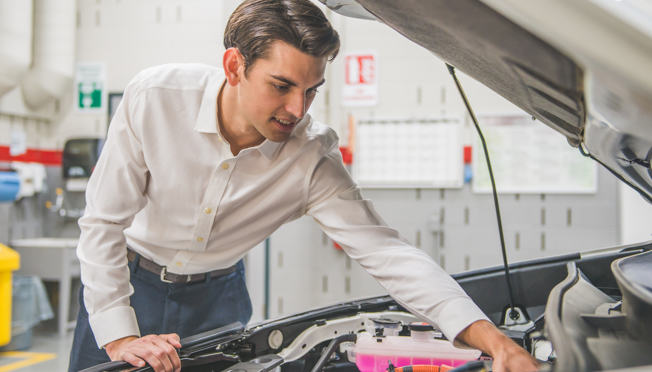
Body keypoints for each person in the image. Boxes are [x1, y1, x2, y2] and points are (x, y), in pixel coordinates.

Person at [69, 1, 540, 372]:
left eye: (311, 90)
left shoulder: (310, 158)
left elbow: (391, 256)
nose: (297, 109)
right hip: (123, 285)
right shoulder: (154, 99)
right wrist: (121, 337)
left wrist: (494, 342)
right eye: (281, 85)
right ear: (235, 67)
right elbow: (103, 222)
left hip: (219, 299)